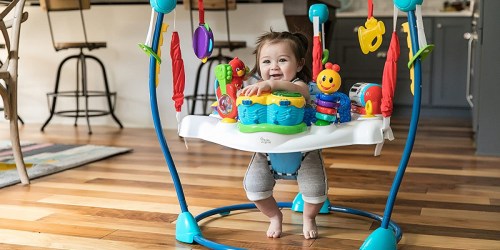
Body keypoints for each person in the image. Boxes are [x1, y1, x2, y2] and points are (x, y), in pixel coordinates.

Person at [240, 30, 328, 240]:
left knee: (316, 193)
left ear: (298, 64)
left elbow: (302, 93)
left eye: (282, 60)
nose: (274, 67)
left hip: (303, 152)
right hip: (266, 151)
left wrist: (273, 85)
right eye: (267, 61)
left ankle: (308, 217)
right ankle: (274, 216)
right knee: (255, 189)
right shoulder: (257, 88)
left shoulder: (299, 85)